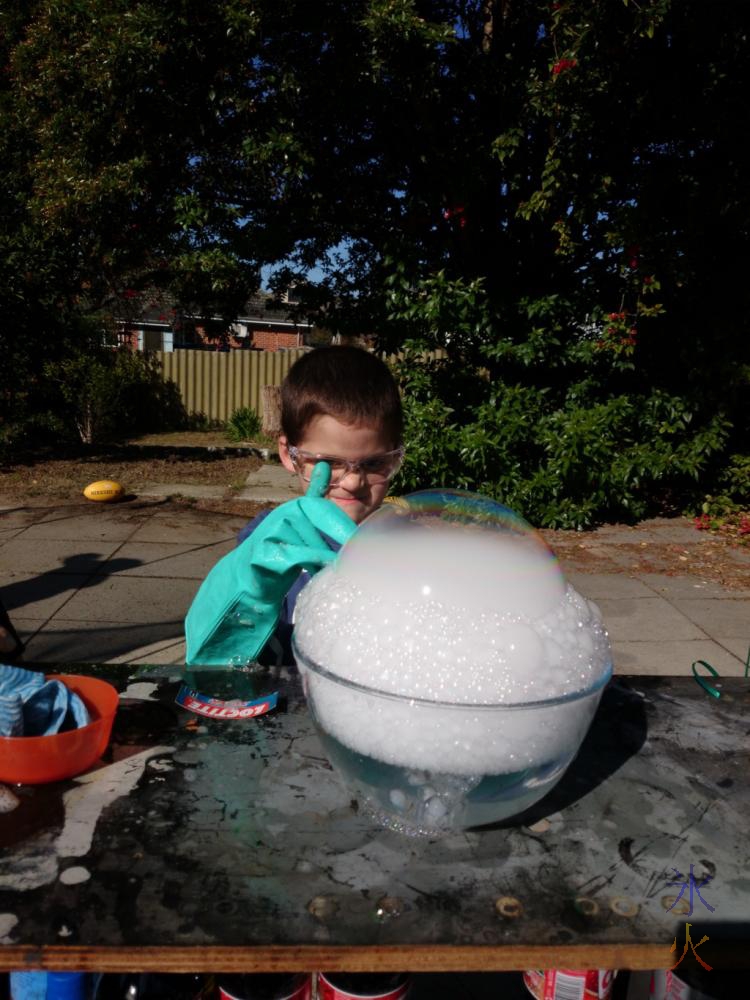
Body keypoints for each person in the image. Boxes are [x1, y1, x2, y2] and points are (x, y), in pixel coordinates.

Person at [184, 345, 404, 666]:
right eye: (328, 463)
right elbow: (208, 662)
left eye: (374, 463)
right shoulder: (271, 542)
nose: (354, 482)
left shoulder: (405, 544)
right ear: (289, 454)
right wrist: (251, 589)